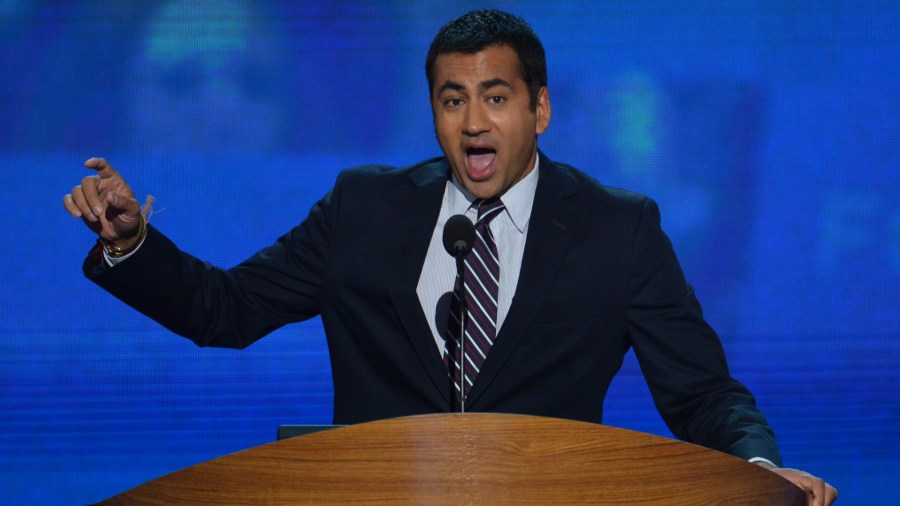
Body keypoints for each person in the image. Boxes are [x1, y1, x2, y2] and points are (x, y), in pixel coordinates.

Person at [64, 9, 837, 505]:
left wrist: (759, 474)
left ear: (540, 108)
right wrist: (130, 243)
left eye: (496, 97)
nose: (473, 121)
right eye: (451, 98)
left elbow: (701, 392)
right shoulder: (364, 208)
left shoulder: (618, 228)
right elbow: (222, 311)